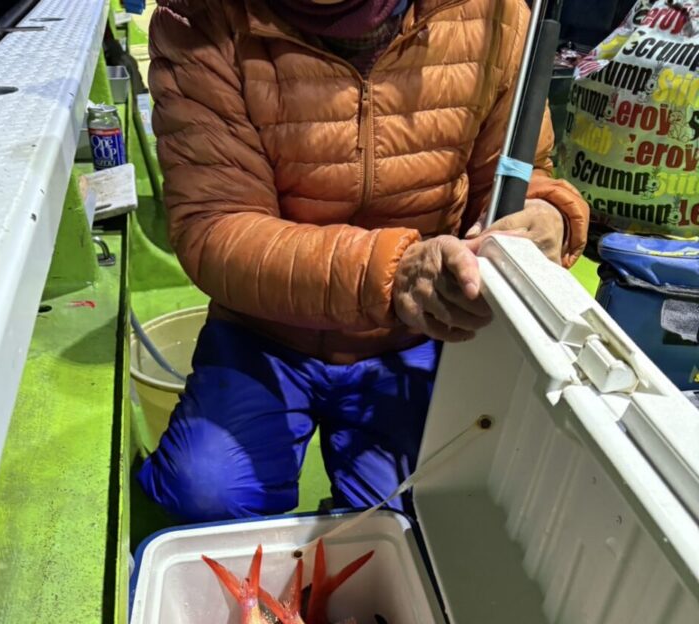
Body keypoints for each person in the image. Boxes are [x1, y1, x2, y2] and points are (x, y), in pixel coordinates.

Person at [138, 0, 589, 522]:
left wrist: (548, 213)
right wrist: (394, 276)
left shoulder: (494, 14)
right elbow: (216, 227)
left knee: (428, 518)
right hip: (265, 333)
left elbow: (514, 175)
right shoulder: (198, 19)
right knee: (203, 494)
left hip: (417, 338)